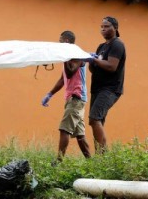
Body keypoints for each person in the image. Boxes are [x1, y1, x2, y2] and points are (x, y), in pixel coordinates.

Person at [41, 30, 91, 162]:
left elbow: (69, 73)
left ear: (67, 42)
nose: (59, 43)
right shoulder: (69, 57)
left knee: (64, 129)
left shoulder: (77, 56)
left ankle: (58, 161)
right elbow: (63, 78)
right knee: (80, 135)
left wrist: (64, 57)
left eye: (61, 41)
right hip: (74, 99)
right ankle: (91, 162)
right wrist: (50, 94)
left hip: (76, 98)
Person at [87, 16, 126, 153]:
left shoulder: (117, 44)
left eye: (107, 26)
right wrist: (91, 62)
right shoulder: (101, 47)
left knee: (94, 118)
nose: (103, 29)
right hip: (97, 88)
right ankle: (100, 156)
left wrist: (95, 60)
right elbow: (94, 70)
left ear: (115, 28)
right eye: (101, 27)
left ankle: (104, 155)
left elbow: (111, 66)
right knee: (97, 122)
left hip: (110, 89)